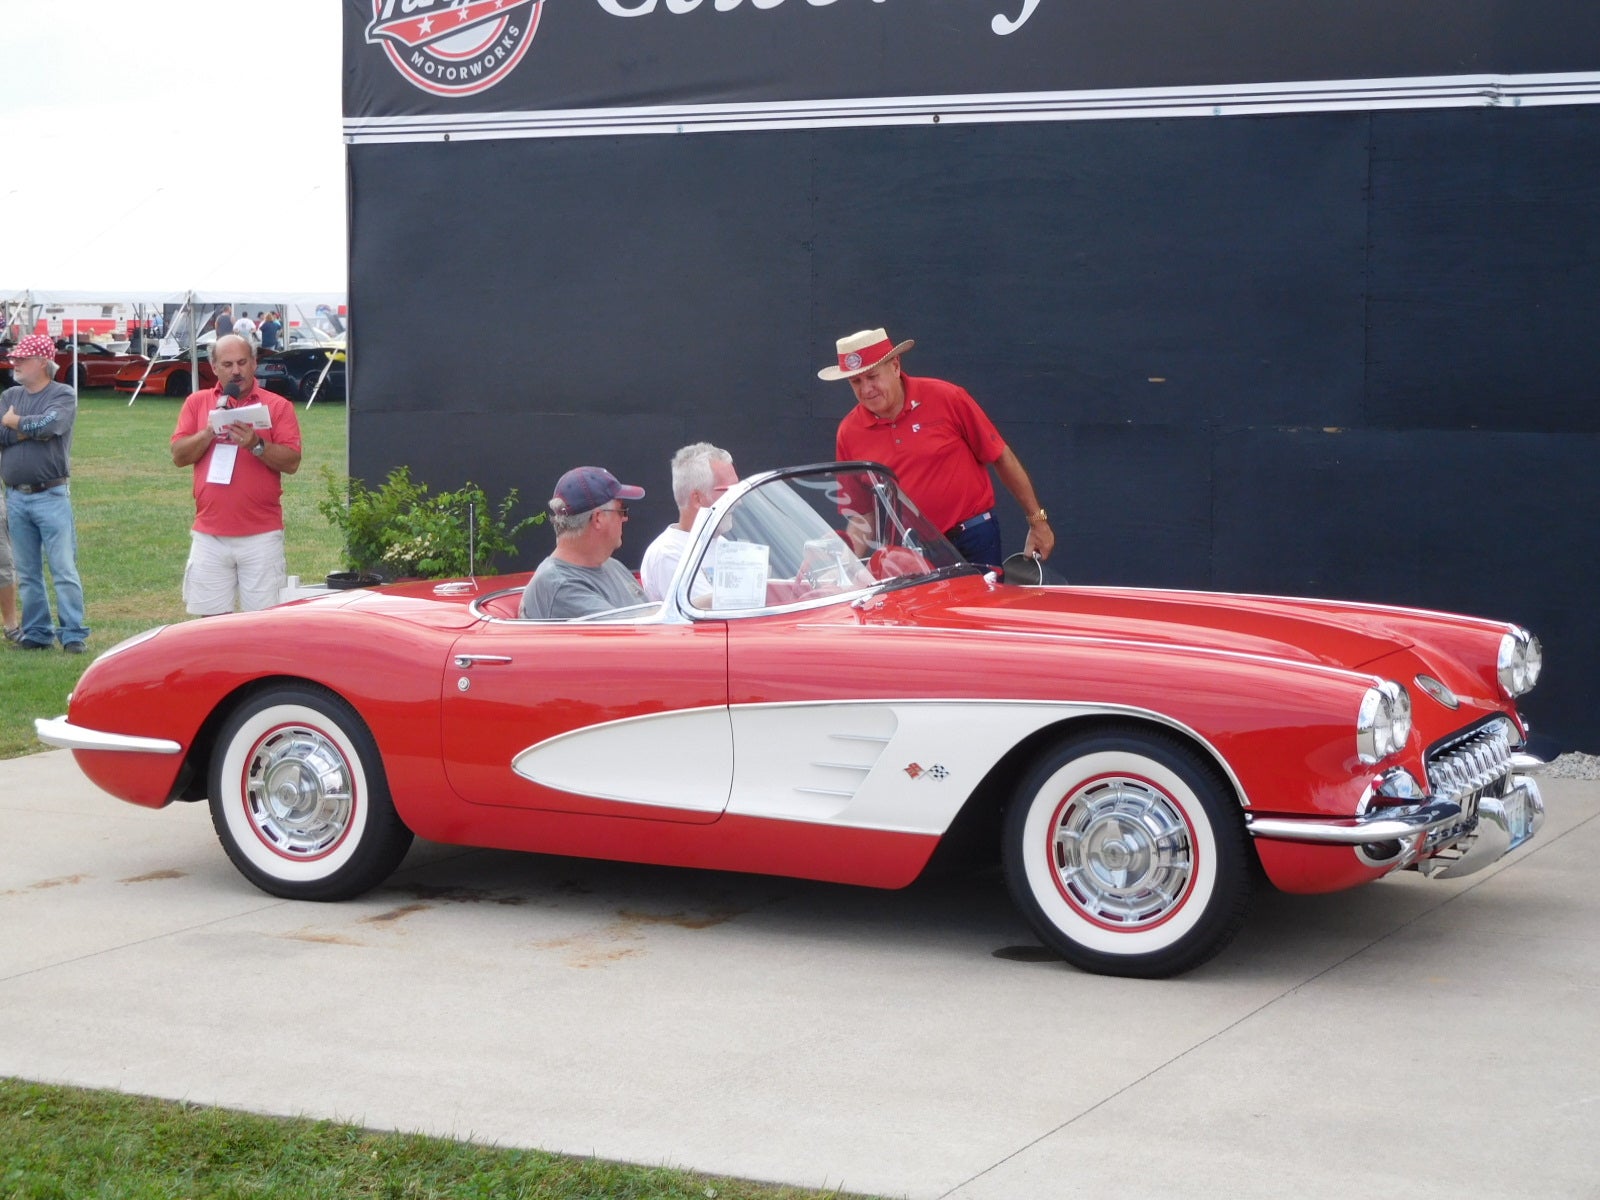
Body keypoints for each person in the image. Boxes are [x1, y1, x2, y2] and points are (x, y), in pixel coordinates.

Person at [820, 327, 1055, 568]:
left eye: (872, 377)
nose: (866, 389)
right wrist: (843, 559)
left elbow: (1000, 456)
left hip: (972, 537)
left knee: (976, 607)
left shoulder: (946, 397)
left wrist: (1038, 521)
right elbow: (863, 515)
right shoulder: (849, 432)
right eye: (855, 381)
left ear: (895, 366)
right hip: (910, 553)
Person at [170, 333, 303, 614]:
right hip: (210, 535)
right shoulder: (197, 403)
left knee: (263, 626)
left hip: (261, 536)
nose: (236, 371)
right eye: (227, 364)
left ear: (254, 364)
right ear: (214, 367)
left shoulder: (278, 406)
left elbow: (292, 462)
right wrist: (207, 433)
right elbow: (179, 456)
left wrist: (257, 445)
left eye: (242, 362)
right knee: (210, 627)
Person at [0, 334, 89, 652]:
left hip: (51, 494)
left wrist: (14, 423)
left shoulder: (63, 394)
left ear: (41, 363)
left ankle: (73, 633)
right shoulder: (10, 394)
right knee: (26, 569)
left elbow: (52, 425)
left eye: (22, 359)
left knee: (63, 567)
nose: (15, 364)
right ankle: (37, 632)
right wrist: (24, 430)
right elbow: (2, 432)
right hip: (16, 496)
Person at [520, 466, 648, 619]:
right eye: (622, 510)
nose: (625, 518)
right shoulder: (561, 586)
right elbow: (632, 635)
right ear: (598, 518)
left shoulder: (612, 566)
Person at [640, 442, 737, 602]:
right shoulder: (669, 554)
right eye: (728, 491)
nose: (737, 501)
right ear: (697, 498)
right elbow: (710, 616)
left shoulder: (722, 544)